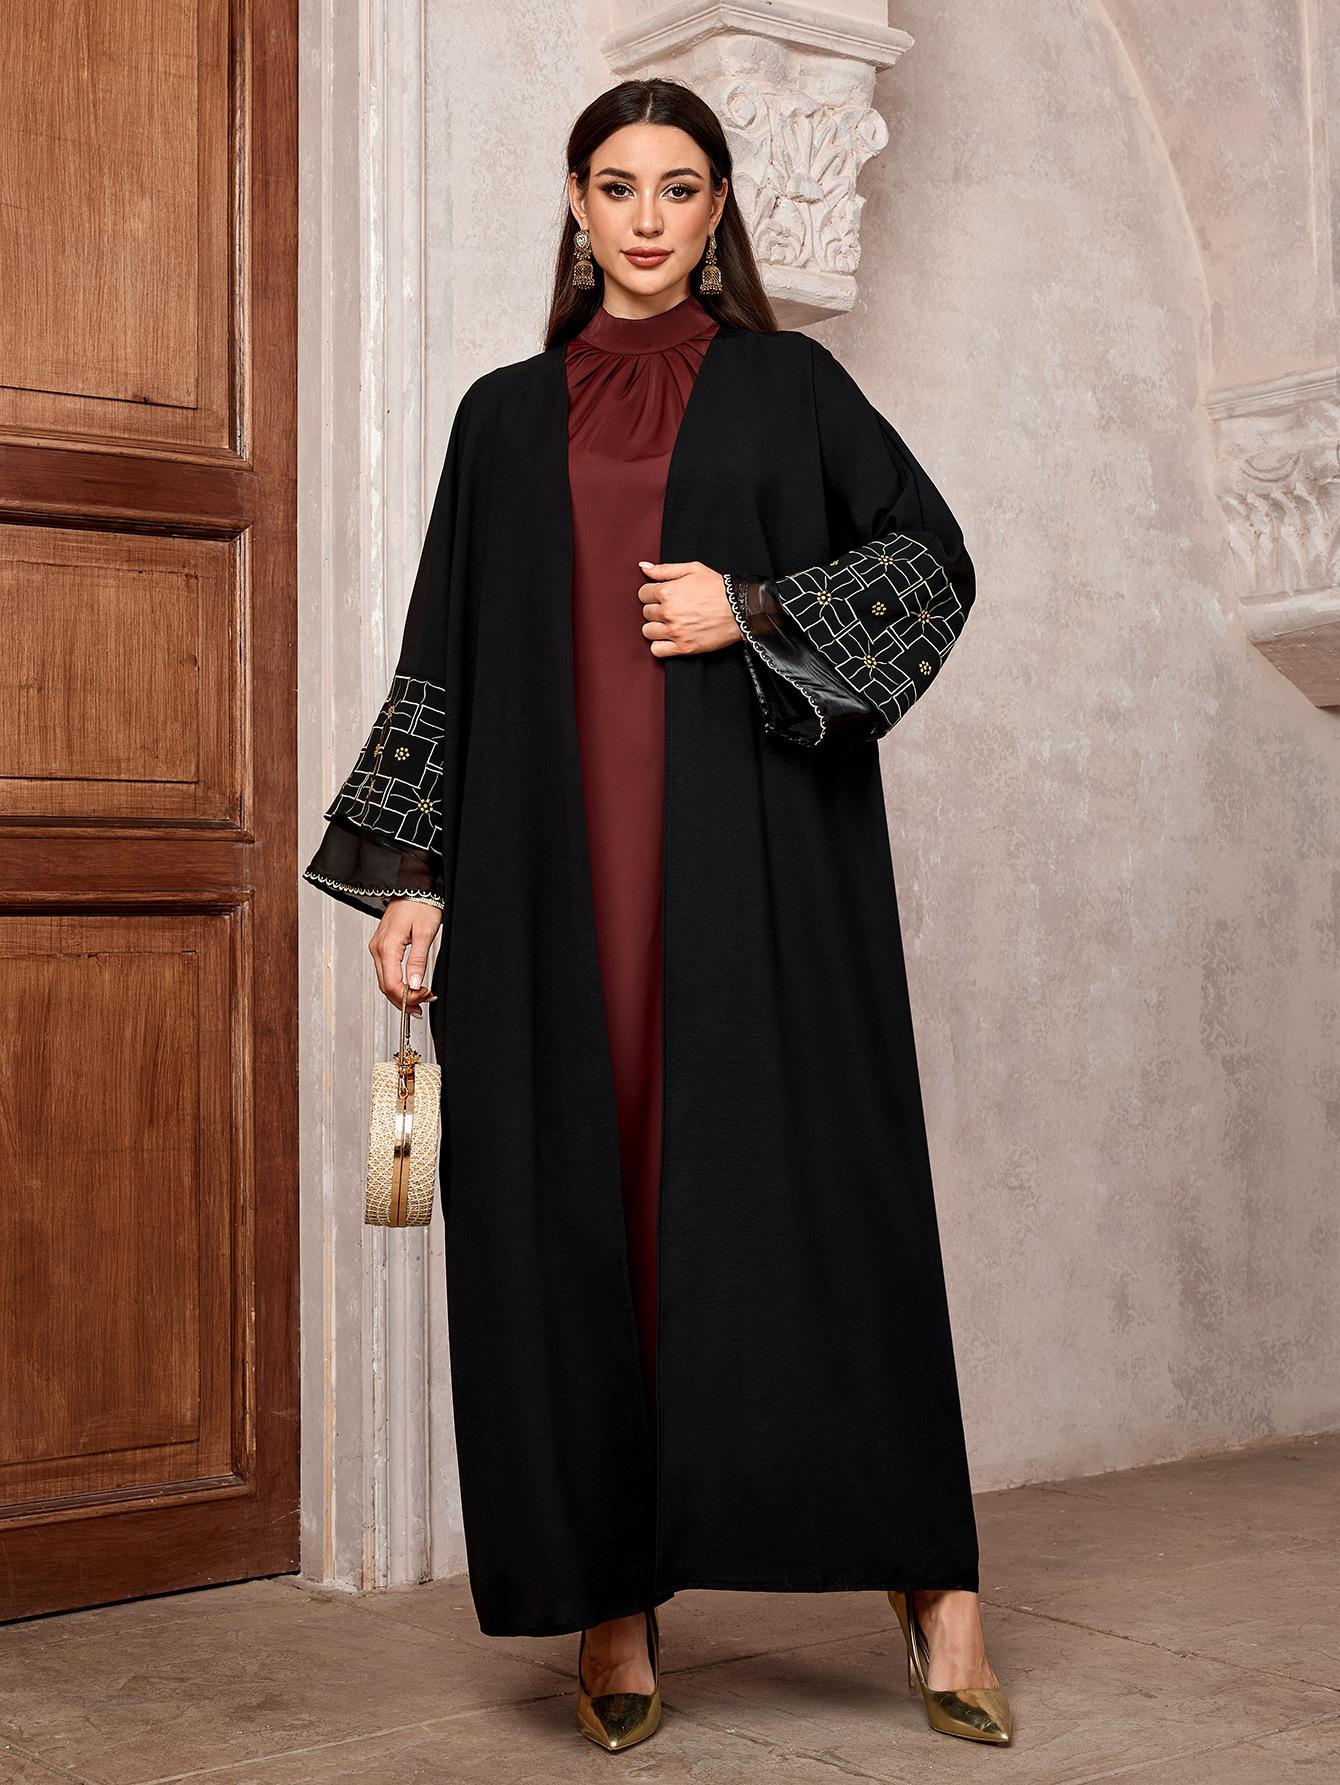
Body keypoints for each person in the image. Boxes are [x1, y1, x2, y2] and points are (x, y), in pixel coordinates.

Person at [303, 76, 1011, 1753]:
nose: (645, 218)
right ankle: (610, 1603)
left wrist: (748, 606)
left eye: (678, 187)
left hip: (757, 879)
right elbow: (443, 650)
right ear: (574, 201)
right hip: (547, 892)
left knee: (821, 1210)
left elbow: (933, 558)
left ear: (718, 209)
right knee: (571, 1219)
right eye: (616, 185)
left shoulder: (791, 386)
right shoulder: (500, 417)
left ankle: (937, 1583)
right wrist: (413, 876)